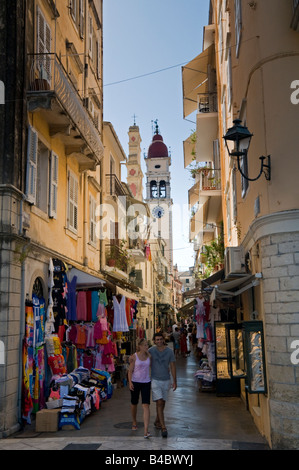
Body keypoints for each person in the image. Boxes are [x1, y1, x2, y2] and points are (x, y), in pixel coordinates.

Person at [149, 332, 177, 438]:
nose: (159, 341)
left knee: (162, 402)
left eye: (161, 339)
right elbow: (143, 357)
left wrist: (175, 380)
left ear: (163, 340)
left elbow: (173, 366)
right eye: (157, 340)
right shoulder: (151, 351)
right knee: (159, 402)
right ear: (154, 341)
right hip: (155, 380)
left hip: (166, 380)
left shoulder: (169, 351)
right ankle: (163, 427)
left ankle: (157, 420)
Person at [128, 338, 151, 439]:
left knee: (146, 405)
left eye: (147, 345)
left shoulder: (149, 355)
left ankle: (146, 430)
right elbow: (130, 371)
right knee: (134, 403)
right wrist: (130, 382)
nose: (147, 347)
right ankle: (134, 421)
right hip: (135, 382)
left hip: (146, 382)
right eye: (145, 345)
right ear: (140, 346)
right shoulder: (134, 356)